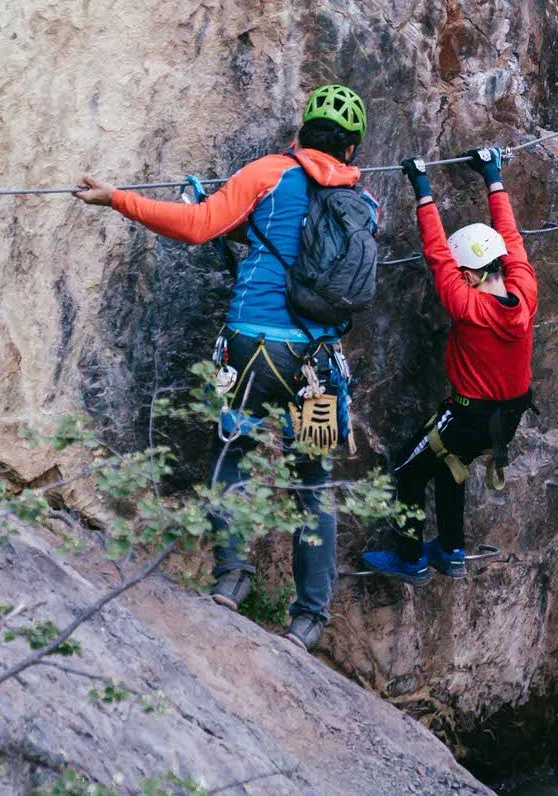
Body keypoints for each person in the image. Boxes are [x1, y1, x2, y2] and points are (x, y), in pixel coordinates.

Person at [75, 84, 376, 652]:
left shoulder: (267, 173)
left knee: (233, 452)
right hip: (314, 364)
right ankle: (309, 617)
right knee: (312, 480)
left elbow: (197, 226)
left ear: (301, 132)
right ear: (351, 148)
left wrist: (117, 197)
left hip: (252, 353)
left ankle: (232, 577)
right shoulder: (364, 204)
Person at [360, 147, 538, 582]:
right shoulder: (526, 290)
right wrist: (492, 176)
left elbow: (438, 253)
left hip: (467, 414)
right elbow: (510, 238)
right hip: (508, 416)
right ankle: (451, 550)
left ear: (473, 275)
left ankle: (410, 559)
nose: (458, 275)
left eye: (464, 272)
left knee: (407, 470)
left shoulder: (465, 304)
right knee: (452, 466)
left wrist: (422, 188)